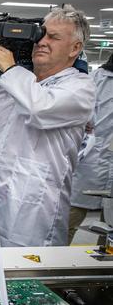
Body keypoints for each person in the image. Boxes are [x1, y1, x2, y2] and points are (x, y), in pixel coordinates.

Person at [0, 4, 96, 247]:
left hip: (32, 213)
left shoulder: (80, 88)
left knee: (25, 277)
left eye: (54, 37)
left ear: (75, 48)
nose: (42, 42)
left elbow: (40, 109)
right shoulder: (9, 84)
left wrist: (10, 68)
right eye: (41, 36)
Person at [69, 54, 113, 243]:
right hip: (92, 160)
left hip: (103, 162)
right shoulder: (98, 79)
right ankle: (53, 261)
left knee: (109, 229)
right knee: (70, 219)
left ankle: (104, 265)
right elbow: (81, 111)